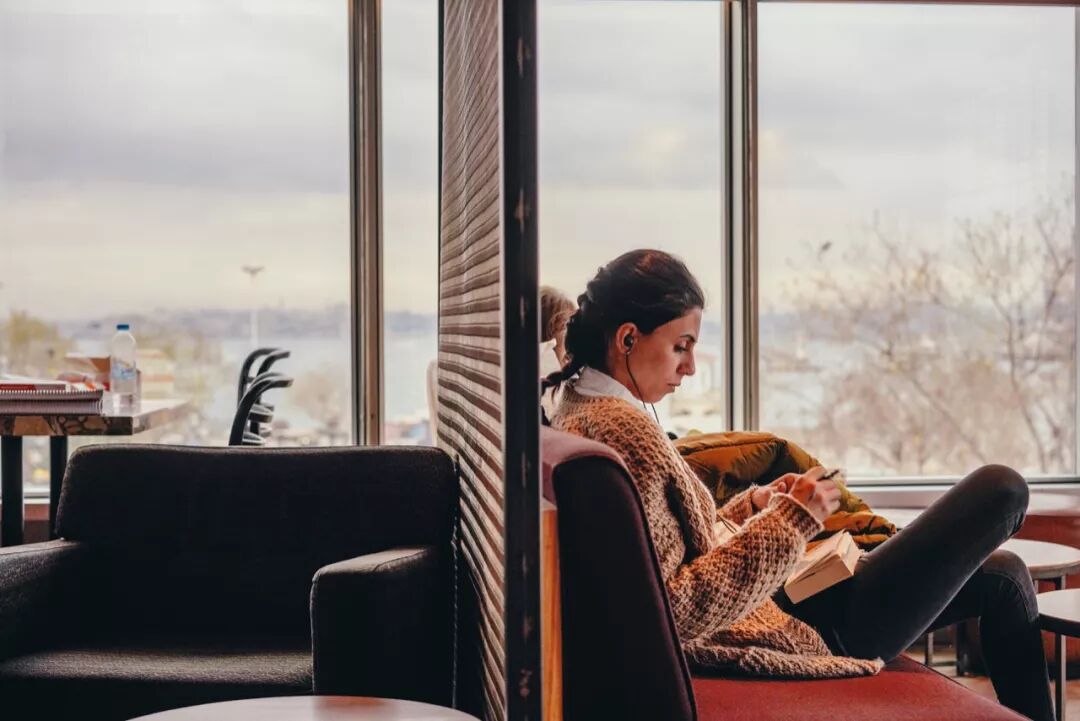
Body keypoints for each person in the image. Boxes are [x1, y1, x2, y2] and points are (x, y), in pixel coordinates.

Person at [543, 248, 1052, 721]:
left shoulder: (581, 408)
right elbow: (674, 608)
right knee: (1002, 489)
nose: (691, 368)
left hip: (776, 599)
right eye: (681, 347)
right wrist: (794, 520)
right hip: (806, 626)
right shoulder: (622, 431)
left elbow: (677, 543)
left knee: (1004, 574)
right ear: (628, 339)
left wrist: (756, 506)